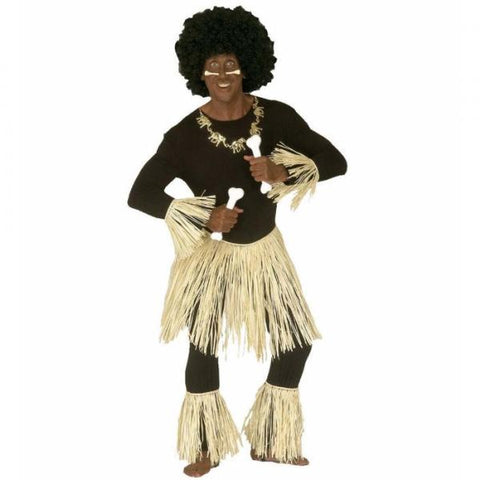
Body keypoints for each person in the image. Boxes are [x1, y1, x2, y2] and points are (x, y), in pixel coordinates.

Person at [127, 6, 347, 477]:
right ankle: (205, 446)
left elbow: (336, 161)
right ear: (198, 71)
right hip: (213, 258)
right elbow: (140, 194)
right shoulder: (183, 136)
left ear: (248, 65)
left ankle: (270, 439)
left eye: (231, 63)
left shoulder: (277, 116)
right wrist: (205, 217)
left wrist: (283, 170)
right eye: (212, 65)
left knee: (294, 343)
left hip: (266, 252)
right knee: (204, 346)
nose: (222, 74)